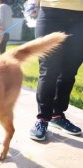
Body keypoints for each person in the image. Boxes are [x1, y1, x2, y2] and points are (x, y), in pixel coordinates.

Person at [29, 0, 83, 141]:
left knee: (69, 71)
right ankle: (42, 118)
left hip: (80, 17)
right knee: (49, 69)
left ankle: (57, 115)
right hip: (51, 12)